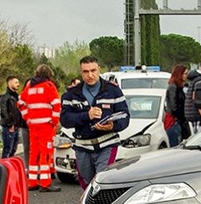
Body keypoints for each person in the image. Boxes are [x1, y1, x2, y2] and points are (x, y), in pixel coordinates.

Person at [60, 55, 130, 189]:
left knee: (102, 181)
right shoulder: (72, 94)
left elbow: (125, 116)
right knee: (87, 185)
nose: (90, 75)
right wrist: (86, 115)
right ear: (81, 73)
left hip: (107, 144)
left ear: (99, 70)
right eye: (86, 72)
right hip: (83, 146)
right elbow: (65, 120)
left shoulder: (113, 90)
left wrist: (112, 126)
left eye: (93, 70)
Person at [18, 65, 62, 192]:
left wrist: (27, 117)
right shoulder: (49, 86)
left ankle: (32, 182)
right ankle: (45, 183)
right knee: (46, 153)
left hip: (33, 125)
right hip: (45, 126)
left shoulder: (30, 86)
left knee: (34, 153)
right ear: (49, 74)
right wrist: (54, 121)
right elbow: (56, 104)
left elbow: (20, 103)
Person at [0, 75, 23, 158]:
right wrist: (10, 124)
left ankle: (9, 168)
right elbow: (4, 112)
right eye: (16, 82)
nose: (18, 84)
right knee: (7, 149)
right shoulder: (5, 97)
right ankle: (4, 168)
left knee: (13, 149)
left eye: (18, 82)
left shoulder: (16, 97)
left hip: (16, 127)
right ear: (9, 83)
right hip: (9, 128)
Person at [164, 64, 188, 146]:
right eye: (185, 74)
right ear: (179, 74)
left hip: (177, 120)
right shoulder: (173, 87)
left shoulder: (178, 87)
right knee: (175, 145)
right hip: (174, 121)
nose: (186, 76)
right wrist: (182, 117)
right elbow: (174, 106)